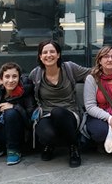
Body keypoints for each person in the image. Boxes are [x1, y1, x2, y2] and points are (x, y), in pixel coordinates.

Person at [28, 39, 91, 168]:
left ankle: (74, 148)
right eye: (44, 52)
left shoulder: (69, 68)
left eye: (52, 51)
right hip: (46, 114)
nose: (48, 55)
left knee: (58, 112)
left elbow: (93, 72)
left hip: (70, 113)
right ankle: (49, 145)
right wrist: (0, 82)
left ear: (58, 55)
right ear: (40, 56)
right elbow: (20, 84)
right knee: (47, 134)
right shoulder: (36, 74)